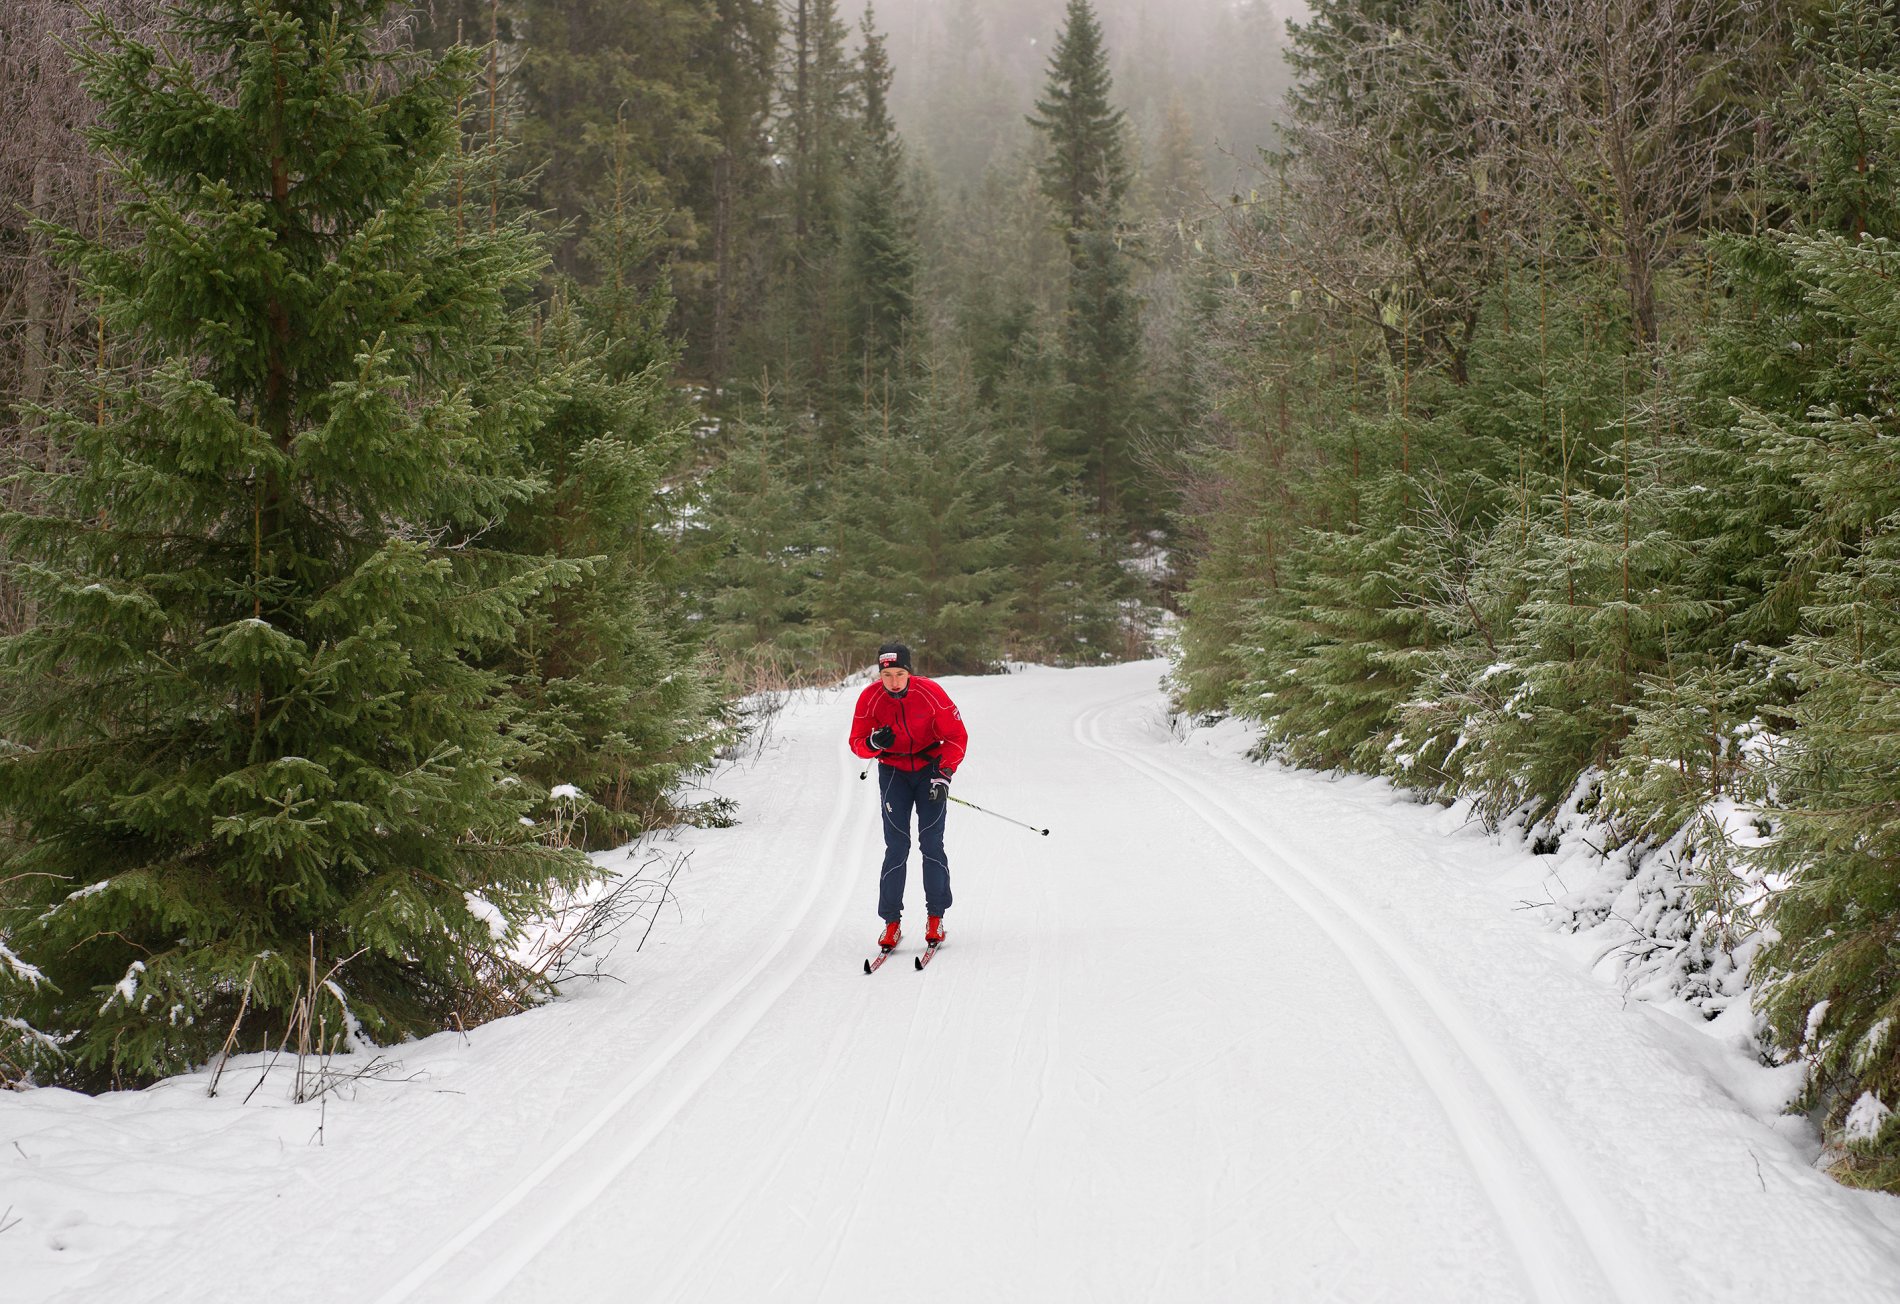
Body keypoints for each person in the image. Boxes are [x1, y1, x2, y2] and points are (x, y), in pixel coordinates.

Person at [848, 642, 968, 951]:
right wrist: (873, 743)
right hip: (893, 773)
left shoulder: (930, 693)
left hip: (930, 768)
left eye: (900, 674)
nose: (894, 682)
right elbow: (857, 742)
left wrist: (944, 773)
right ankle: (891, 922)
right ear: (880, 674)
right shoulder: (870, 698)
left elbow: (956, 737)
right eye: (887, 675)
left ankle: (936, 917)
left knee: (930, 842)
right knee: (897, 846)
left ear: (909, 672)